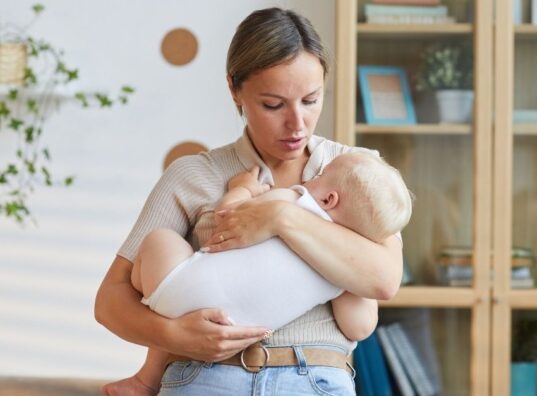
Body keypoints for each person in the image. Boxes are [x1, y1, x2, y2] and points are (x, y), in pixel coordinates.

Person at [94, 7, 406, 395]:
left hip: (315, 379)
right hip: (204, 376)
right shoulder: (193, 175)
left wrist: (280, 217)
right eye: (273, 105)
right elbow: (110, 300)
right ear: (234, 89)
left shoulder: (359, 173)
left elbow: (384, 278)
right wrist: (173, 334)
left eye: (311, 100)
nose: (297, 124)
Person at [101, 152, 412, 396]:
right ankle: (146, 376)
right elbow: (359, 327)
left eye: (320, 175)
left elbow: (230, 215)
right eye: (273, 104)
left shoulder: (293, 199)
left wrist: (242, 189)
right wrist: (348, 281)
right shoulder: (340, 273)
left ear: (330, 199)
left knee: (158, 241)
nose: (295, 120)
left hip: (190, 300)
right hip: (214, 343)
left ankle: (145, 377)